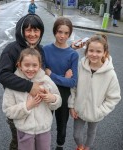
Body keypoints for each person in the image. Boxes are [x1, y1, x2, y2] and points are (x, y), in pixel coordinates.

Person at [0, 14, 45, 150]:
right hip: (18, 108)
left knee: (35, 141)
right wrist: (29, 86)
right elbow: (3, 75)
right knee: (19, 142)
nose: (32, 34)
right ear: (21, 31)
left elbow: (41, 74)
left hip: (37, 108)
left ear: (41, 32)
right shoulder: (11, 50)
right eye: (28, 30)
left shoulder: (40, 50)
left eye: (36, 30)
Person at [68, 34, 121, 150]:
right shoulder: (80, 67)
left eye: (98, 51)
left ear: (105, 53)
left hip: (95, 113)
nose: (94, 54)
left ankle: (86, 148)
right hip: (79, 110)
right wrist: (71, 106)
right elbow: (74, 87)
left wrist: (100, 111)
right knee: (76, 135)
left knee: (91, 133)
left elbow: (114, 97)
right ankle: (80, 147)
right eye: (91, 50)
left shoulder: (110, 74)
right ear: (86, 51)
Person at [2, 48, 62, 150]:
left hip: (44, 129)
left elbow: (58, 100)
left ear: (40, 66)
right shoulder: (13, 84)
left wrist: (52, 98)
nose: (31, 69)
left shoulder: (46, 80)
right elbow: (8, 110)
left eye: (34, 65)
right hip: (24, 130)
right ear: (19, 65)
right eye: (26, 65)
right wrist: (27, 106)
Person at [43, 17, 79, 150]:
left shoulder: (73, 55)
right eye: (59, 32)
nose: (62, 36)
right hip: (47, 91)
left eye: (66, 33)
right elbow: (42, 74)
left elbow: (73, 82)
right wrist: (63, 78)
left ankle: (59, 146)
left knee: (62, 124)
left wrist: (51, 74)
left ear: (69, 34)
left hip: (64, 94)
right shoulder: (46, 50)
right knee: (44, 122)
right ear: (54, 31)